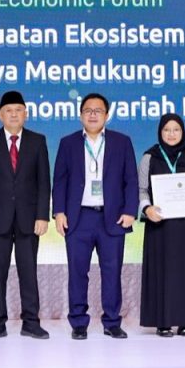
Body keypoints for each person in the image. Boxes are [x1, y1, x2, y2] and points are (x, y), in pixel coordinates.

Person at [53, 93, 138, 340]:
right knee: (77, 272)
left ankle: (112, 322)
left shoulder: (122, 142)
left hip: (112, 218)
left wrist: (130, 211)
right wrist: (59, 212)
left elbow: (131, 179)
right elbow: (60, 180)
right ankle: (78, 322)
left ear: (107, 115)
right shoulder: (68, 143)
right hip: (78, 218)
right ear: (80, 115)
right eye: (88, 110)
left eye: (98, 110)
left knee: (112, 272)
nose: (92, 115)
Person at [0, 91, 51, 341]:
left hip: (29, 219)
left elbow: (44, 182)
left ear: (26, 114)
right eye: (9, 110)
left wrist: (42, 215)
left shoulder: (38, 141)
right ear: (0, 115)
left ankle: (31, 322)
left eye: (19, 110)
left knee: (29, 272)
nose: (14, 114)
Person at [138, 113, 185, 337]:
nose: (171, 134)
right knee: (162, 272)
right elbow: (141, 190)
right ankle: (163, 321)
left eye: (176, 129)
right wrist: (147, 209)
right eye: (166, 130)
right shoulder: (149, 157)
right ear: (160, 132)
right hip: (160, 226)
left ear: (183, 132)